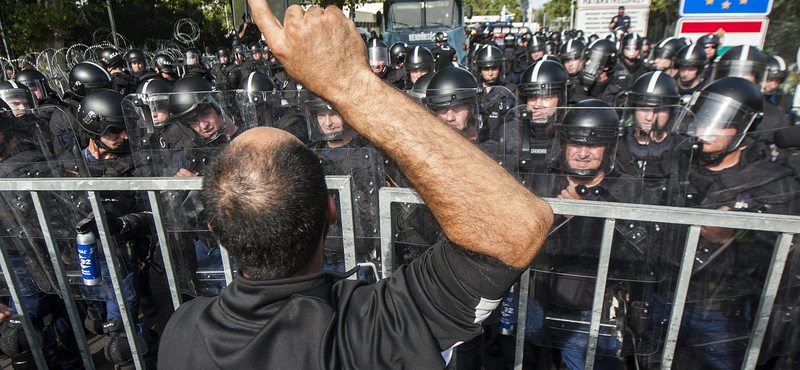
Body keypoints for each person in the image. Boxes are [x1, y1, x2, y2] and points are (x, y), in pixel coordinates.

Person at [158, 2, 553, 369]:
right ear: (331, 209)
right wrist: (348, 82)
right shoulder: (368, 332)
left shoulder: (180, 332)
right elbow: (514, 226)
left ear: (215, 227)